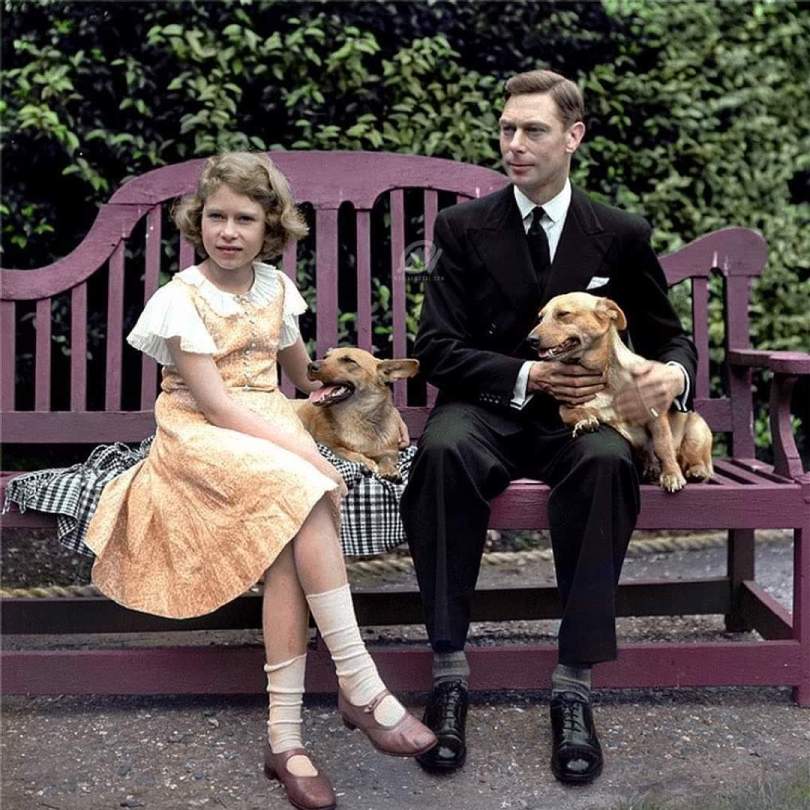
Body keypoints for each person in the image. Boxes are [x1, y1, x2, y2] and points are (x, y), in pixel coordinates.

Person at [85, 152, 436, 810]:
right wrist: (312, 456)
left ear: (269, 226)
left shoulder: (275, 288)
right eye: (216, 216)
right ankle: (360, 684)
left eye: (245, 219)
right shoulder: (181, 299)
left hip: (268, 425)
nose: (228, 232)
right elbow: (219, 407)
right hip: (201, 434)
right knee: (308, 486)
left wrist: (370, 407)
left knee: (289, 542)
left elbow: (304, 379)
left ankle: (286, 739)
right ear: (197, 221)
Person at [400, 69, 697, 784]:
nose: (515, 143)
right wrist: (527, 374)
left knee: (607, 463)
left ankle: (573, 684)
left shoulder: (619, 233)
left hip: (587, 414)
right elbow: (435, 347)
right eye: (507, 129)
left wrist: (673, 376)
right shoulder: (463, 228)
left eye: (533, 130)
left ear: (573, 137)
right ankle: (448, 675)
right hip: (486, 407)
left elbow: (670, 337)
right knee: (440, 452)